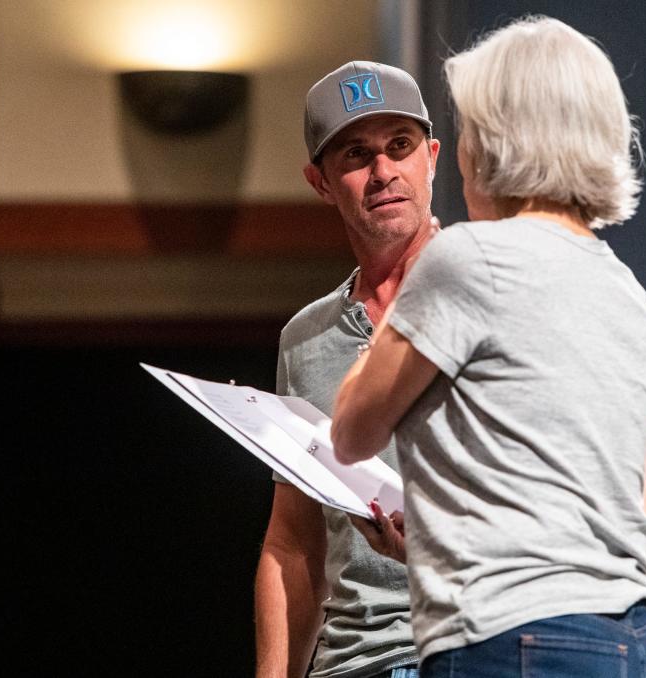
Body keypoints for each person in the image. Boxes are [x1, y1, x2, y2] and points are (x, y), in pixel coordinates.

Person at [331, 17, 646, 678]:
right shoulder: (639, 308)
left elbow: (351, 432)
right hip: (634, 644)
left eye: (466, 133)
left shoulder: (467, 259)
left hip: (510, 642)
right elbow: (621, 523)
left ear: (497, 142)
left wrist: (400, 294)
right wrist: (434, 542)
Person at [254, 61, 440, 678]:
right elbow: (294, 541)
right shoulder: (305, 339)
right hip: (351, 664)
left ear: (432, 157)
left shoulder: (490, 291)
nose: (383, 172)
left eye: (400, 146)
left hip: (467, 649)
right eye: (357, 154)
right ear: (321, 181)